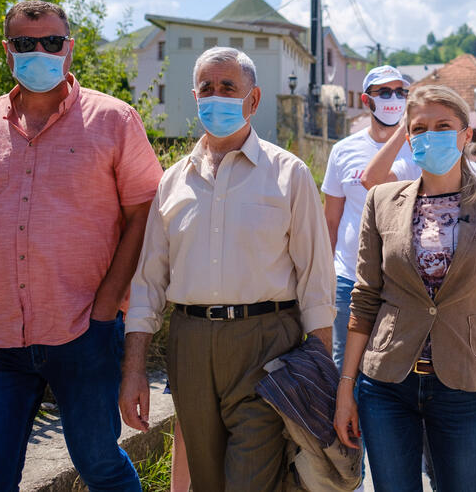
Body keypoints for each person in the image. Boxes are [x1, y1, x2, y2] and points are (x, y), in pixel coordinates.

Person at [0, 0, 162, 490]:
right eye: (25, 43)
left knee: (100, 465)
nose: (39, 51)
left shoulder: (115, 120)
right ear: (7, 51)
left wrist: (107, 307)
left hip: (84, 331)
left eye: (51, 42)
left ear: (70, 47)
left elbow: (144, 216)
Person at [119, 47, 336, 491]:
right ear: (194, 97)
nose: (215, 97)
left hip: (267, 344)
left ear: (253, 100)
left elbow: (316, 280)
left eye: (228, 88)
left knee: (251, 481)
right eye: (206, 89)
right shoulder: (172, 180)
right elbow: (148, 284)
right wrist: (135, 368)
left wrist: (320, 377)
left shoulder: (288, 174)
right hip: (190, 345)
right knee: (207, 481)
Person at [334, 84, 476, 492]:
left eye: (443, 125)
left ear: (466, 135)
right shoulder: (382, 201)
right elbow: (366, 297)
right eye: (420, 128)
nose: (430, 135)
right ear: (408, 138)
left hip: (465, 382)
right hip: (387, 382)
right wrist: (346, 387)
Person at [322, 65, 411, 373]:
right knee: (345, 362)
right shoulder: (343, 150)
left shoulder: (419, 148)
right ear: (365, 100)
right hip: (349, 276)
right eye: (384, 92)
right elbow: (331, 220)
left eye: (400, 92)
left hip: (402, 278)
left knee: (392, 365)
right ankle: (344, 420)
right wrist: (325, 276)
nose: (393, 99)